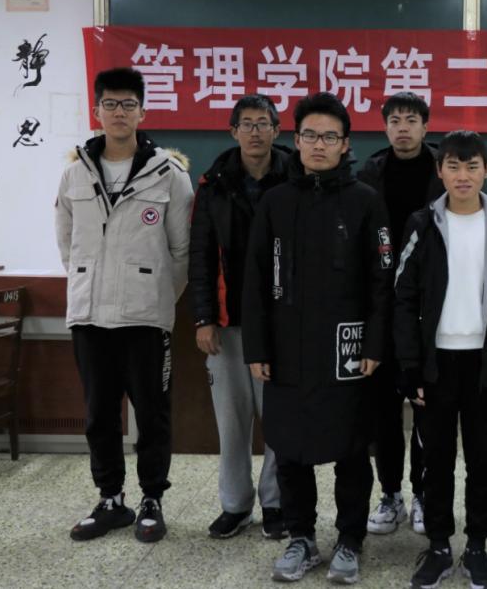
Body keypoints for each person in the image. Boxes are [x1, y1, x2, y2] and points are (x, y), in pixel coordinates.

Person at [241, 92, 394, 584]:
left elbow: (382, 282)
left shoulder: (366, 201)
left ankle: (350, 539)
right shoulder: (275, 202)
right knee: (289, 447)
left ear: (345, 144)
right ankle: (301, 537)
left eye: (330, 136)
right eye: (310, 135)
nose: (319, 145)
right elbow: (255, 280)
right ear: (297, 140)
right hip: (286, 348)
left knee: (351, 449)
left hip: (346, 348)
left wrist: (374, 345)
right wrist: (256, 347)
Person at [56, 67, 194, 543]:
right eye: (110, 104)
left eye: (128, 104)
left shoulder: (169, 173)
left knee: (152, 413)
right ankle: (111, 499)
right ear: (96, 111)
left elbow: (181, 252)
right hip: (90, 315)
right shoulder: (74, 172)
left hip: (145, 318)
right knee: (98, 413)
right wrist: (88, 283)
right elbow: (67, 242)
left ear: (142, 112)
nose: (119, 112)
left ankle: (152, 498)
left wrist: (155, 298)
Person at [394, 131, 487, 589]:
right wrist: (409, 365)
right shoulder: (422, 224)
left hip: (484, 366)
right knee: (435, 462)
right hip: (435, 364)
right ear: (440, 171)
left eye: (472, 166)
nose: (462, 175)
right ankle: (438, 546)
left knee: (482, 462)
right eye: (453, 166)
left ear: (486, 171)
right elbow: (403, 297)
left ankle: (477, 546)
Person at [189, 94, 291, 540]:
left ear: (276, 131)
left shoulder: (295, 177)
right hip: (227, 322)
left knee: (279, 421)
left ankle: (275, 503)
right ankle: (235, 505)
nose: (255, 131)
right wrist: (203, 317)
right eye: (246, 124)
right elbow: (200, 254)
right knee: (232, 422)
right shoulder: (213, 184)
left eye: (263, 123)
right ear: (233, 131)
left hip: (280, 322)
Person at [357, 91, 443, 537]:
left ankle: (424, 493)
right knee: (383, 411)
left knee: (427, 406)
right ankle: (390, 494)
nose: (403, 128)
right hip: (382, 307)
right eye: (395, 120)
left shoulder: (445, 169)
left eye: (411, 120)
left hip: (431, 307)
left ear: (425, 126)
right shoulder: (369, 174)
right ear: (385, 127)